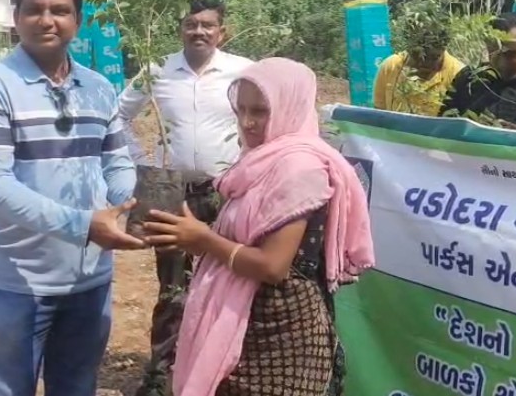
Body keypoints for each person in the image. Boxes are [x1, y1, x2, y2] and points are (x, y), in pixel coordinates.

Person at [144, 57, 375, 396]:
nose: (247, 122)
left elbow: (273, 266)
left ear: (290, 107)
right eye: (240, 110)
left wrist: (205, 240)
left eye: (260, 111)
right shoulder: (261, 159)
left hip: (280, 332)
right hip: (244, 321)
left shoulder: (299, 168)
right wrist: (194, 236)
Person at [0, 0, 141, 396]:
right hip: (21, 283)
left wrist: (132, 207)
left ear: (77, 20)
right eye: (34, 9)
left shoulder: (98, 88)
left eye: (60, 10)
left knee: (76, 386)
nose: (46, 20)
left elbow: (117, 162)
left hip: (90, 281)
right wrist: (84, 225)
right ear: (16, 17)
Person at [117, 0, 253, 394]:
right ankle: (162, 377)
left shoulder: (244, 71)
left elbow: (266, 118)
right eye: (191, 24)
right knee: (173, 287)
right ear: (181, 29)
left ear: (222, 32)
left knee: (228, 283)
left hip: (225, 194)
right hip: (173, 197)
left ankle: (222, 375)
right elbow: (118, 115)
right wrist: (142, 161)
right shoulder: (158, 69)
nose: (199, 31)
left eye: (207, 25)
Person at [373, 25, 464, 116]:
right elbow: (380, 116)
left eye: (434, 58)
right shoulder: (391, 67)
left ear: (443, 50)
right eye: (417, 57)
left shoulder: (459, 75)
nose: (425, 64)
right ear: (408, 49)